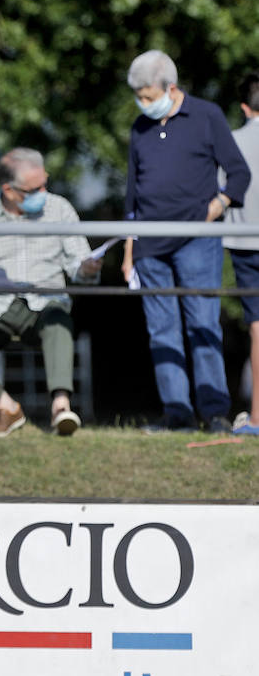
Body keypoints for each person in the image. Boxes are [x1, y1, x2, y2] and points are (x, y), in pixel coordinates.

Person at [122, 49, 250, 433]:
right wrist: (129, 250)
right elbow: (132, 196)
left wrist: (216, 206)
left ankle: (214, 412)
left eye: (148, 96)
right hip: (149, 246)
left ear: (170, 88)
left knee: (203, 322)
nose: (142, 104)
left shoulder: (207, 116)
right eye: (139, 97)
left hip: (197, 241)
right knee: (161, 329)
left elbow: (239, 174)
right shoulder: (139, 129)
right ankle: (176, 415)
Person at [0, 148, 101, 437]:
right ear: (8, 190)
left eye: (45, 183)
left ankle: (61, 408)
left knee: (58, 322)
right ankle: (6, 408)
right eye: (35, 189)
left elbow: (78, 264)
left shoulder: (60, 208)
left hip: (44, 302)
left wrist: (88, 270)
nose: (44, 192)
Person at [224, 72, 259, 436]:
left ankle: (257, 417)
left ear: (243, 106)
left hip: (245, 244)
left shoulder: (231, 142)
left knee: (257, 329)